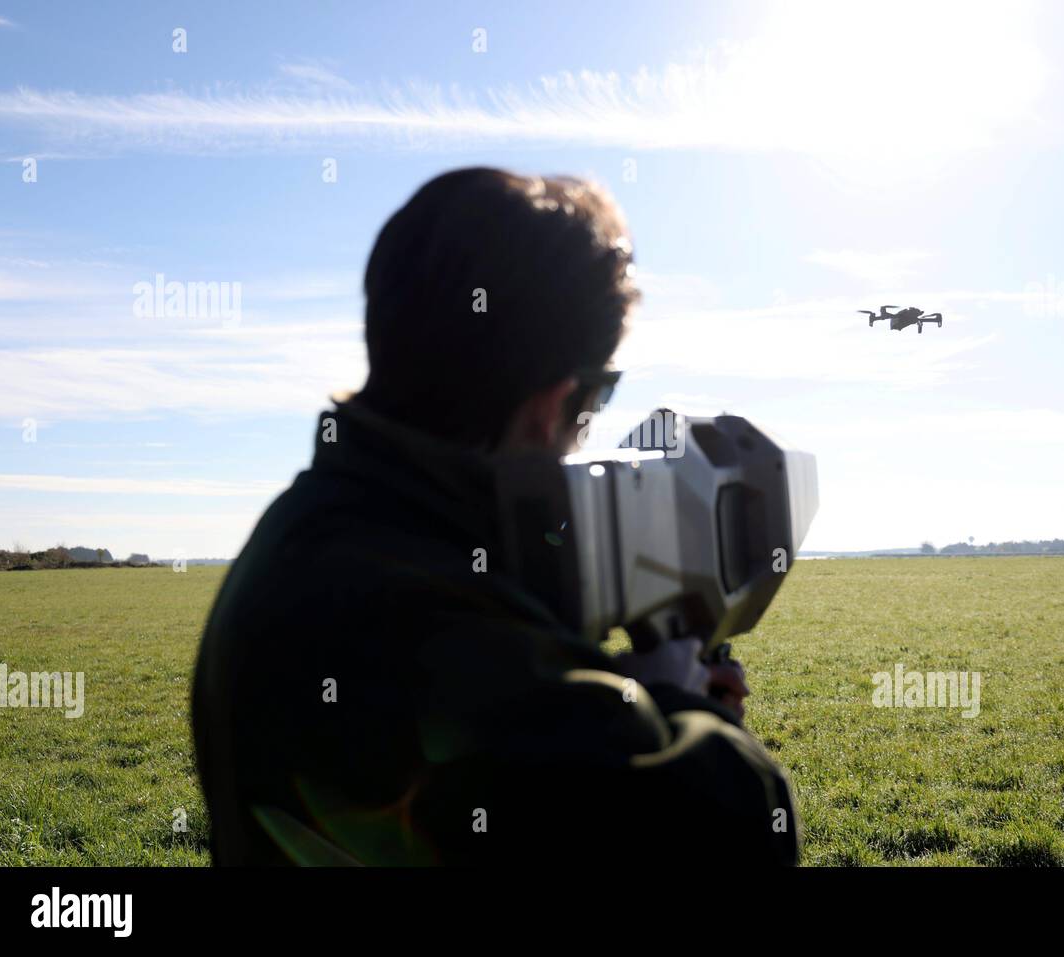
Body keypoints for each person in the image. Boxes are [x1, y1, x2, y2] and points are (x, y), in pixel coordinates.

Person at [190, 167, 799, 865]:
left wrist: (616, 692)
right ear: (550, 405)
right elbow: (734, 831)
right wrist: (682, 709)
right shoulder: (432, 612)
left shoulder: (312, 525)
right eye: (593, 403)